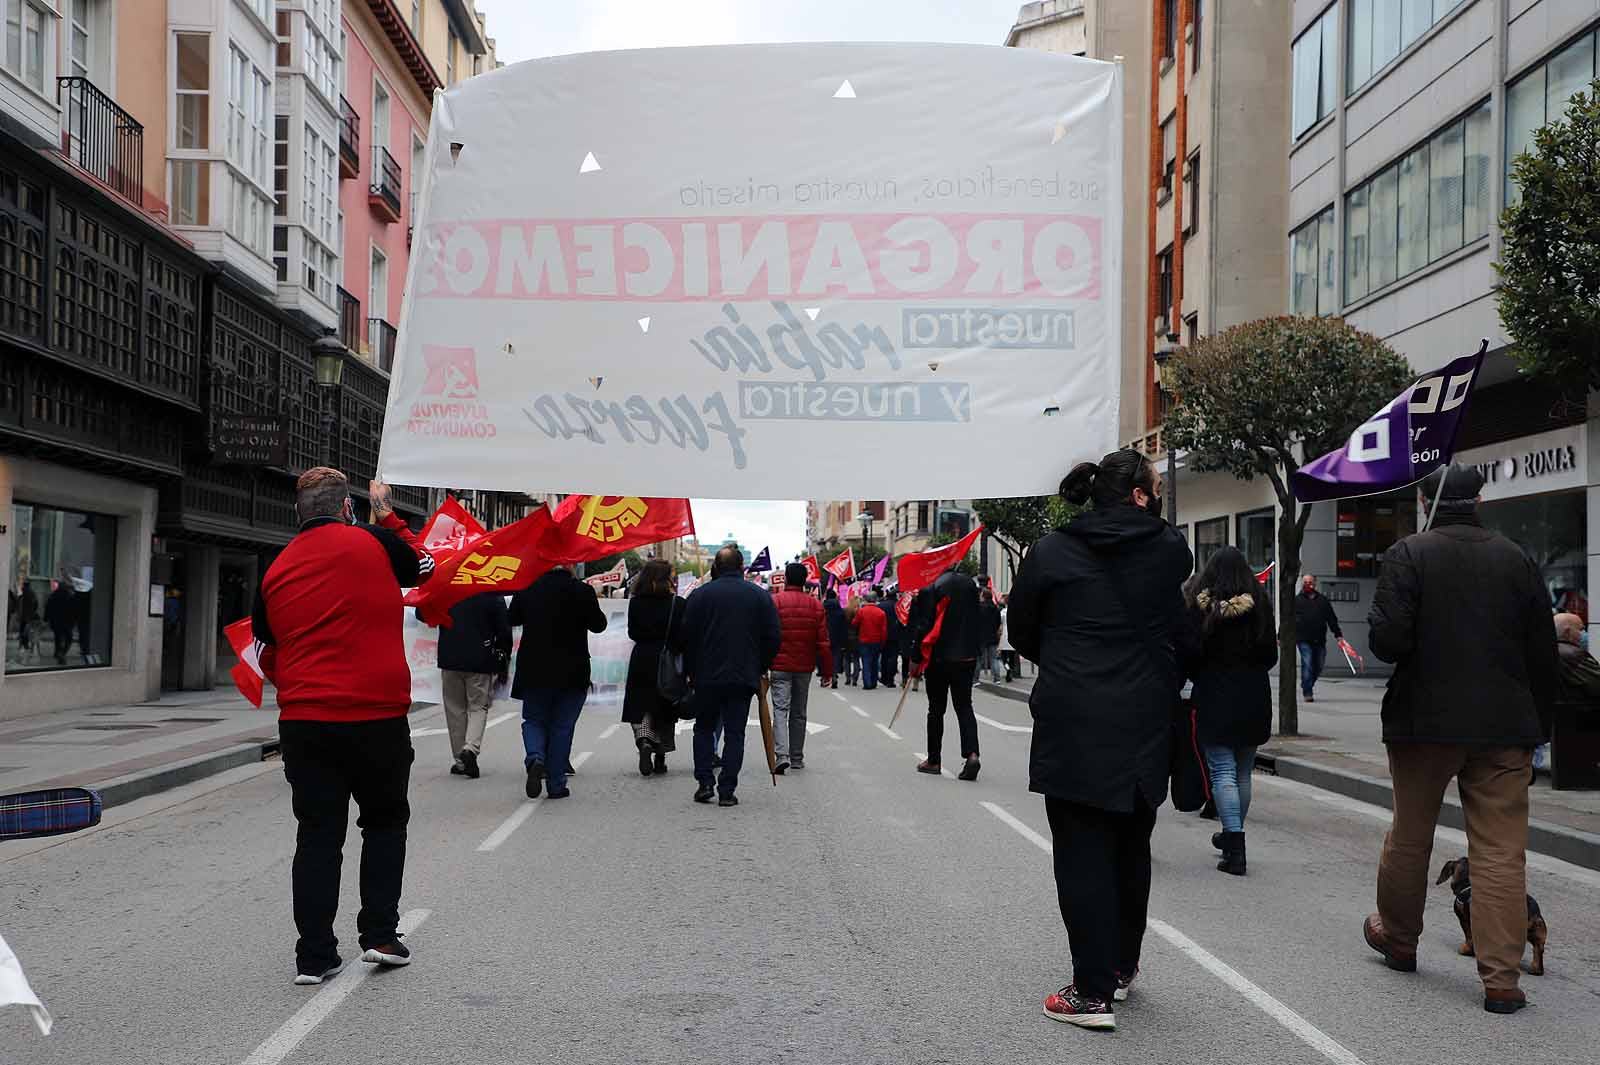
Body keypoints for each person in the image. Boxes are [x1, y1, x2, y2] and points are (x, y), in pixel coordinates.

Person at [1007, 448, 1191, 1030]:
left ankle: (1090, 992)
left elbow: (1022, 630)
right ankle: (1119, 967)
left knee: (1082, 851)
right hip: (1143, 718)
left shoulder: (1050, 551)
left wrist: (1068, 659)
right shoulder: (1168, 549)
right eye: (1155, 487)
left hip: (1074, 718)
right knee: (1131, 846)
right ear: (1140, 494)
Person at [1364, 465, 1558, 1016]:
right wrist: (1536, 725)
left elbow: (1387, 641)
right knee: (1500, 851)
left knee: (1410, 834)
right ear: (1480, 499)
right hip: (1503, 726)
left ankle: (1399, 940)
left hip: (1423, 722)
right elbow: (1543, 652)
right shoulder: (1516, 558)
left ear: (1427, 499)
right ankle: (1501, 979)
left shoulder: (1409, 553)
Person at [252, 470, 435, 985]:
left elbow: (267, 640)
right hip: (375, 714)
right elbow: (426, 566)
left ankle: (314, 957)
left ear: (299, 514)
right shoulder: (374, 540)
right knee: (383, 823)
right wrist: (388, 515)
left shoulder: (277, 565)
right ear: (347, 509)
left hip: (306, 720)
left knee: (316, 835)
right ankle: (379, 935)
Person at [1179, 547, 1276, 877]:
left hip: (1214, 694)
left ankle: (1234, 843)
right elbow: (1270, 655)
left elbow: (1189, 653)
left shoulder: (1198, 605)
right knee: (1244, 771)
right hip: (1253, 695)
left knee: (1222, 769)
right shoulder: (1260, 603)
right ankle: (1234, 834)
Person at [676, 546, 781, 806]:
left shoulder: (699, 596)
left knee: (704, 728)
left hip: (706, 675)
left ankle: (704, 782)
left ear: (716, 568)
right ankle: (727, 789)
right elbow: (773, 637)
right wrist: (760, 666)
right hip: (742, 674)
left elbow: (685, 638)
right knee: (735, 732)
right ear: (741, 567)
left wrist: (690, 670)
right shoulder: (759, 596)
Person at [509, 564, 607, 800]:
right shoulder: (582, 591)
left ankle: (535, 757)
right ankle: (556, 784)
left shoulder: (528, 587)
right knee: (562, 726)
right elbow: (599, 625)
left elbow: (511, 618)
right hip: (572, 671)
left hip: (534, 668)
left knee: (533, 719)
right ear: (570, 565)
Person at [910, 564, 982, 781]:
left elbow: (924, 626)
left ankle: (934, 760)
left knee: (936, 709)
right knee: (964, 706)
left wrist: (915, 658)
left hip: (939, 657)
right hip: (967, 656)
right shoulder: (970, 585)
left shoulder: (930, 588)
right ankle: (972, 754)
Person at [434, 590, 512, 780]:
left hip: (449, 657)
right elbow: (504, 629)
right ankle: (470, 749)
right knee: (478, 706)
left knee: (455, 709)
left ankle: (460, 761)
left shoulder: (447, 588)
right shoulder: (490, 593)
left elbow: (422, 613)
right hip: (480, 659)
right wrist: (504, 656)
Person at [623, 559, 684, 777]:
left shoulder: (637, 602)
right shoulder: (677, 603)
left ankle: (644, 740)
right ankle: (660, 756)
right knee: (664, 706)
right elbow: (682, 636)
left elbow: (632, 633)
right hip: (666, 659)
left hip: (642, 658)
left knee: (641, 705)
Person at [770, 562, 832, 772]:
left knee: (780, 710)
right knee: (799, 712)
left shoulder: (775, 602)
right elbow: (823, 642)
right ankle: (796, 757)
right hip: (804, 667)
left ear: (786, 579)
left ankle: (781, 755)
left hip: (778, 665)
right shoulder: (815, 606)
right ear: (804, 580)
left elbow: (767, 635)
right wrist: (827, 672)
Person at [1294, 573, 1343, 703]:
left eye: (1310, 582)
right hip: (1303, 639)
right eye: (1305, 582)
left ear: (1315, 583)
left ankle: (1307, 683)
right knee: (1308, 663)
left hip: (1319, 640)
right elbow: (1288, 620)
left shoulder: (1323, 601)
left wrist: (1338, 635)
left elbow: (1332, 619)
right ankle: (1307, 692)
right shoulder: (1296, 601)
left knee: (1319, 665)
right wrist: (1280, 636)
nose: (1307, 584)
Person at [852, 590, 888, 692]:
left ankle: (867, 683)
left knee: (866, 661)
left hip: (864, 639)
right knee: (875, 662)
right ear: (876, 600)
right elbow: (884, 629)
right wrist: (883, 641)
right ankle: (874, 681)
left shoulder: (862, 611)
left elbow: (854, 623)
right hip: (877, 640)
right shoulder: (881, 613)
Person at [44, 579, 75, 665]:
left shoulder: (53, 595)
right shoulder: (70, 596)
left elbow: (48, 608)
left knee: (58, 637)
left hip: (56, 621)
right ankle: (62, 653)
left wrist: (46, 619)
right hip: (67, 622)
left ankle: (58, 652)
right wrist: (75, 620)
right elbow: (74, 610)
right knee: (69, 638)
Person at [824, 590, 848, 690]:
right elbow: (844, 627)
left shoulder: (823, 609)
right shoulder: (841, 611)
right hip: (837, 638)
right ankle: (834, 674)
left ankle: (825, 677)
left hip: (825, 636)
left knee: (825, 658)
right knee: (836, 657)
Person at [979, 588, 1003, 684]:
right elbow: (998, 623)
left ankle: (975, 679)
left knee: (980, 658)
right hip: (993, 636)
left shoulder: (979, 608)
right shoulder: (996, 609)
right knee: (994, 659)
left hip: (981, 637)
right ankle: (997, 678)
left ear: (983, 596)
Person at [881, 593, 904, 689]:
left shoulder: (881, 605)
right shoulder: (900, 606)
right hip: (896, 634)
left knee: (884, 656)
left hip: (883, 634)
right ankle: (890, 679)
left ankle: (884, 677)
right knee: (893, 657)